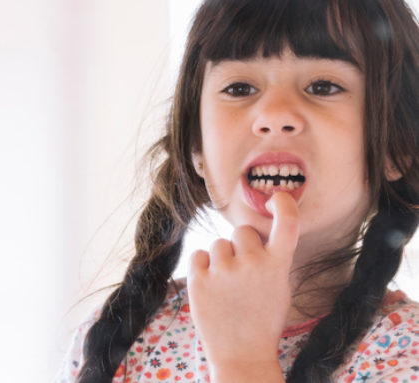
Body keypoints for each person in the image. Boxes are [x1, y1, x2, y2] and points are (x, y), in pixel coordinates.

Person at [55, 0, 419, 382]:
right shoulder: (114, 338)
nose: (274, 115)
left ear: (396, 148)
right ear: (196, 148)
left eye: (322, 86)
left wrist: (244, 364)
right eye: (240, 87)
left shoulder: (406, 353)